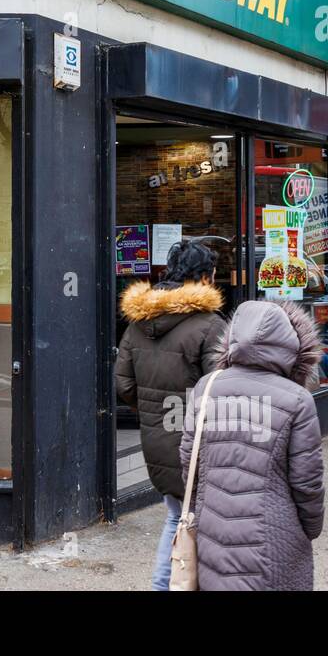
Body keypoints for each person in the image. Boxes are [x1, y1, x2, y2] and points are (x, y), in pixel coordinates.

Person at [179, 299, 325, 591]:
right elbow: (307, 482)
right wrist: (310, 528)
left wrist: (203, 509)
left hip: (212, 531)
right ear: (291, 344)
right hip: (272, 537)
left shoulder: (206, 387)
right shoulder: (297, 400)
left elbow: (187, 463)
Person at [115, 240, 226, 591]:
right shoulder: (210, 325)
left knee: (176, 517)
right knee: (207, 522)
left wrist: (152, 411)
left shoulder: (137, 324)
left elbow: (124, 384)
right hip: (198, 443)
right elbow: (219, 391)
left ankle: (164, 586)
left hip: (156, 437)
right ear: (205, 278)